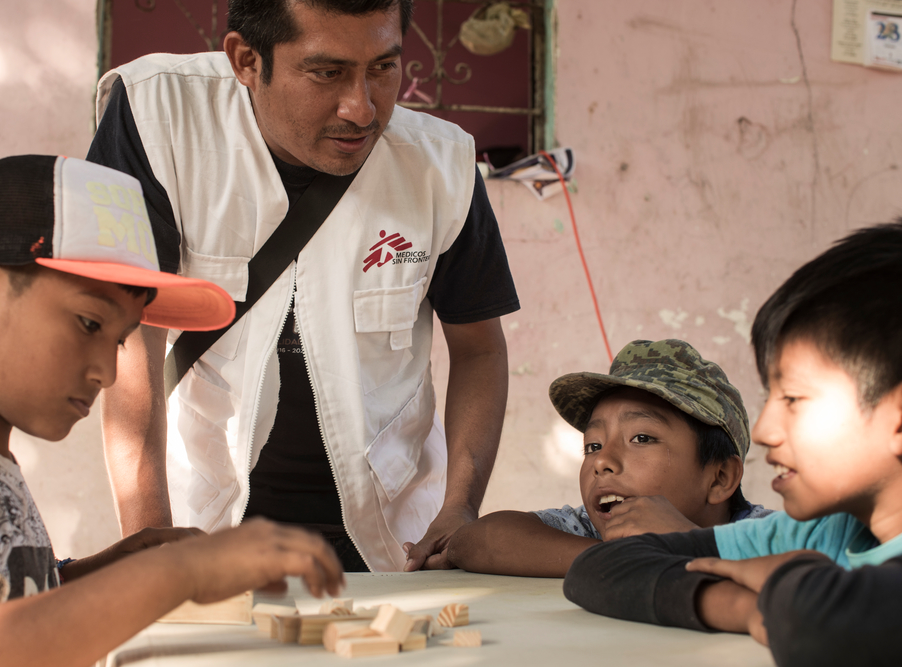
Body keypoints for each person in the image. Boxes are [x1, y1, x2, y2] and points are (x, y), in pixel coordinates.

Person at [86, 0, 519, 573]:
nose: (362, 109)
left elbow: (480, 348)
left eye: (384, 67)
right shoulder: (155, 117)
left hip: (392, 539)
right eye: (327, 72)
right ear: (246, 59)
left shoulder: (442, 165)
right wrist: (150, 545)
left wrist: (459, 507)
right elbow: (126, 336)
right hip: (207, 522)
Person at [0, 155, 344, 667]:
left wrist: (96, 573)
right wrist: (179, 575)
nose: (107, 374)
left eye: (121, 340)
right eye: (90, 324)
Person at [564, 222, 902, 667]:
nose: (763, 431)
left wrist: (785, 583)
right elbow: (597, 571)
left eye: (794, 399)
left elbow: (832, 618)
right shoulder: (816, 533)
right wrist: (751, 606)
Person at [447, 339, 771, 578]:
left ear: (720, 477)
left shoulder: (767, 535)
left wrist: (688, 544)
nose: (602, 461)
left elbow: (814, 578)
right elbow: (474, 541)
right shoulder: (589, 530)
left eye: (641, 438)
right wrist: (623, 558)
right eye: (593, 445)